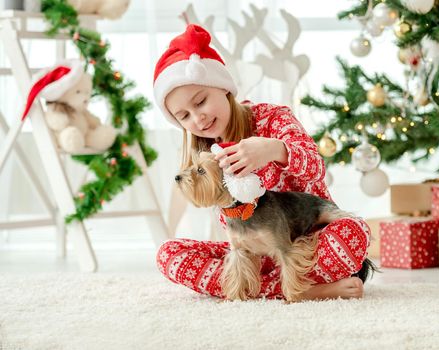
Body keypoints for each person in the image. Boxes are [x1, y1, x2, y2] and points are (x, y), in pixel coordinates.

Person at [154, 24, 371, 301]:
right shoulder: (206, 151)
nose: (198, 119)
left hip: (312, 241)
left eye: (201, 101)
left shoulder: (273, 117)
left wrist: (274, 149)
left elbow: (316, 167)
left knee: (355, 232)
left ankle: (268, 288)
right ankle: (299, 290)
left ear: (223, 88)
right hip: (255, 255)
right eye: (184, 116)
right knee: (168, 254)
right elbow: (233, 225)